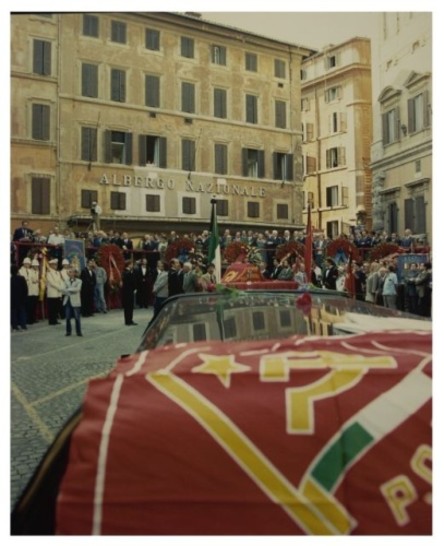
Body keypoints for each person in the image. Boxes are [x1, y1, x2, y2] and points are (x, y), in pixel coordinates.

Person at [61, 268, 83, 336]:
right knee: (67, 317)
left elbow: (77, 289)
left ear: (75, 273)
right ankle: (68, 331)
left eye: (72, 272)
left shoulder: (79, 281)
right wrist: (70, 291)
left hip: (75, 301)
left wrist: (68, 289)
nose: (71, 273)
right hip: (67, 301)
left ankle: (78, 332)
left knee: (77, 317)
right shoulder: (65, 281)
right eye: (69, 272)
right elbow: (62, 290)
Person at [46, 258, 63, 325]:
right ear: (51, 265)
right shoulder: (48, 273)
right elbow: (51, 282)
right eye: (54, 265)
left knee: (56, 307)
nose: (55, 266)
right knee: (52, 308)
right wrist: (59, 287)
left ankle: (55, 320)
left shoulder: (58, 273)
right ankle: (51, 321)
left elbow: (61, 281)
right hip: (52, 293)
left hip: (58, 293)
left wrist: (61, 287)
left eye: (56, 264)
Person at [11, 264, 28, 331]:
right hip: (21, 299)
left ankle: (15, 326)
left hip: (13, 300)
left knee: (13, 313)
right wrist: (25, 297)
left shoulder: (10, 280)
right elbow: (25, 289)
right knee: (22, 312)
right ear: (17, 271)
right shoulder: (22, 278)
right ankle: (23, 325)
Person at [121, 260, 138, 325]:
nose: (132, 266)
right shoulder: (126, 272)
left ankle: (130, 319)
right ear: (128, 265)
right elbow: (130, 281)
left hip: (130, 291)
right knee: (128, 307)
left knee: (130, 306)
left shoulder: (130, 272)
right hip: (127, 292)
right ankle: (128, 321)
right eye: (131, 264)